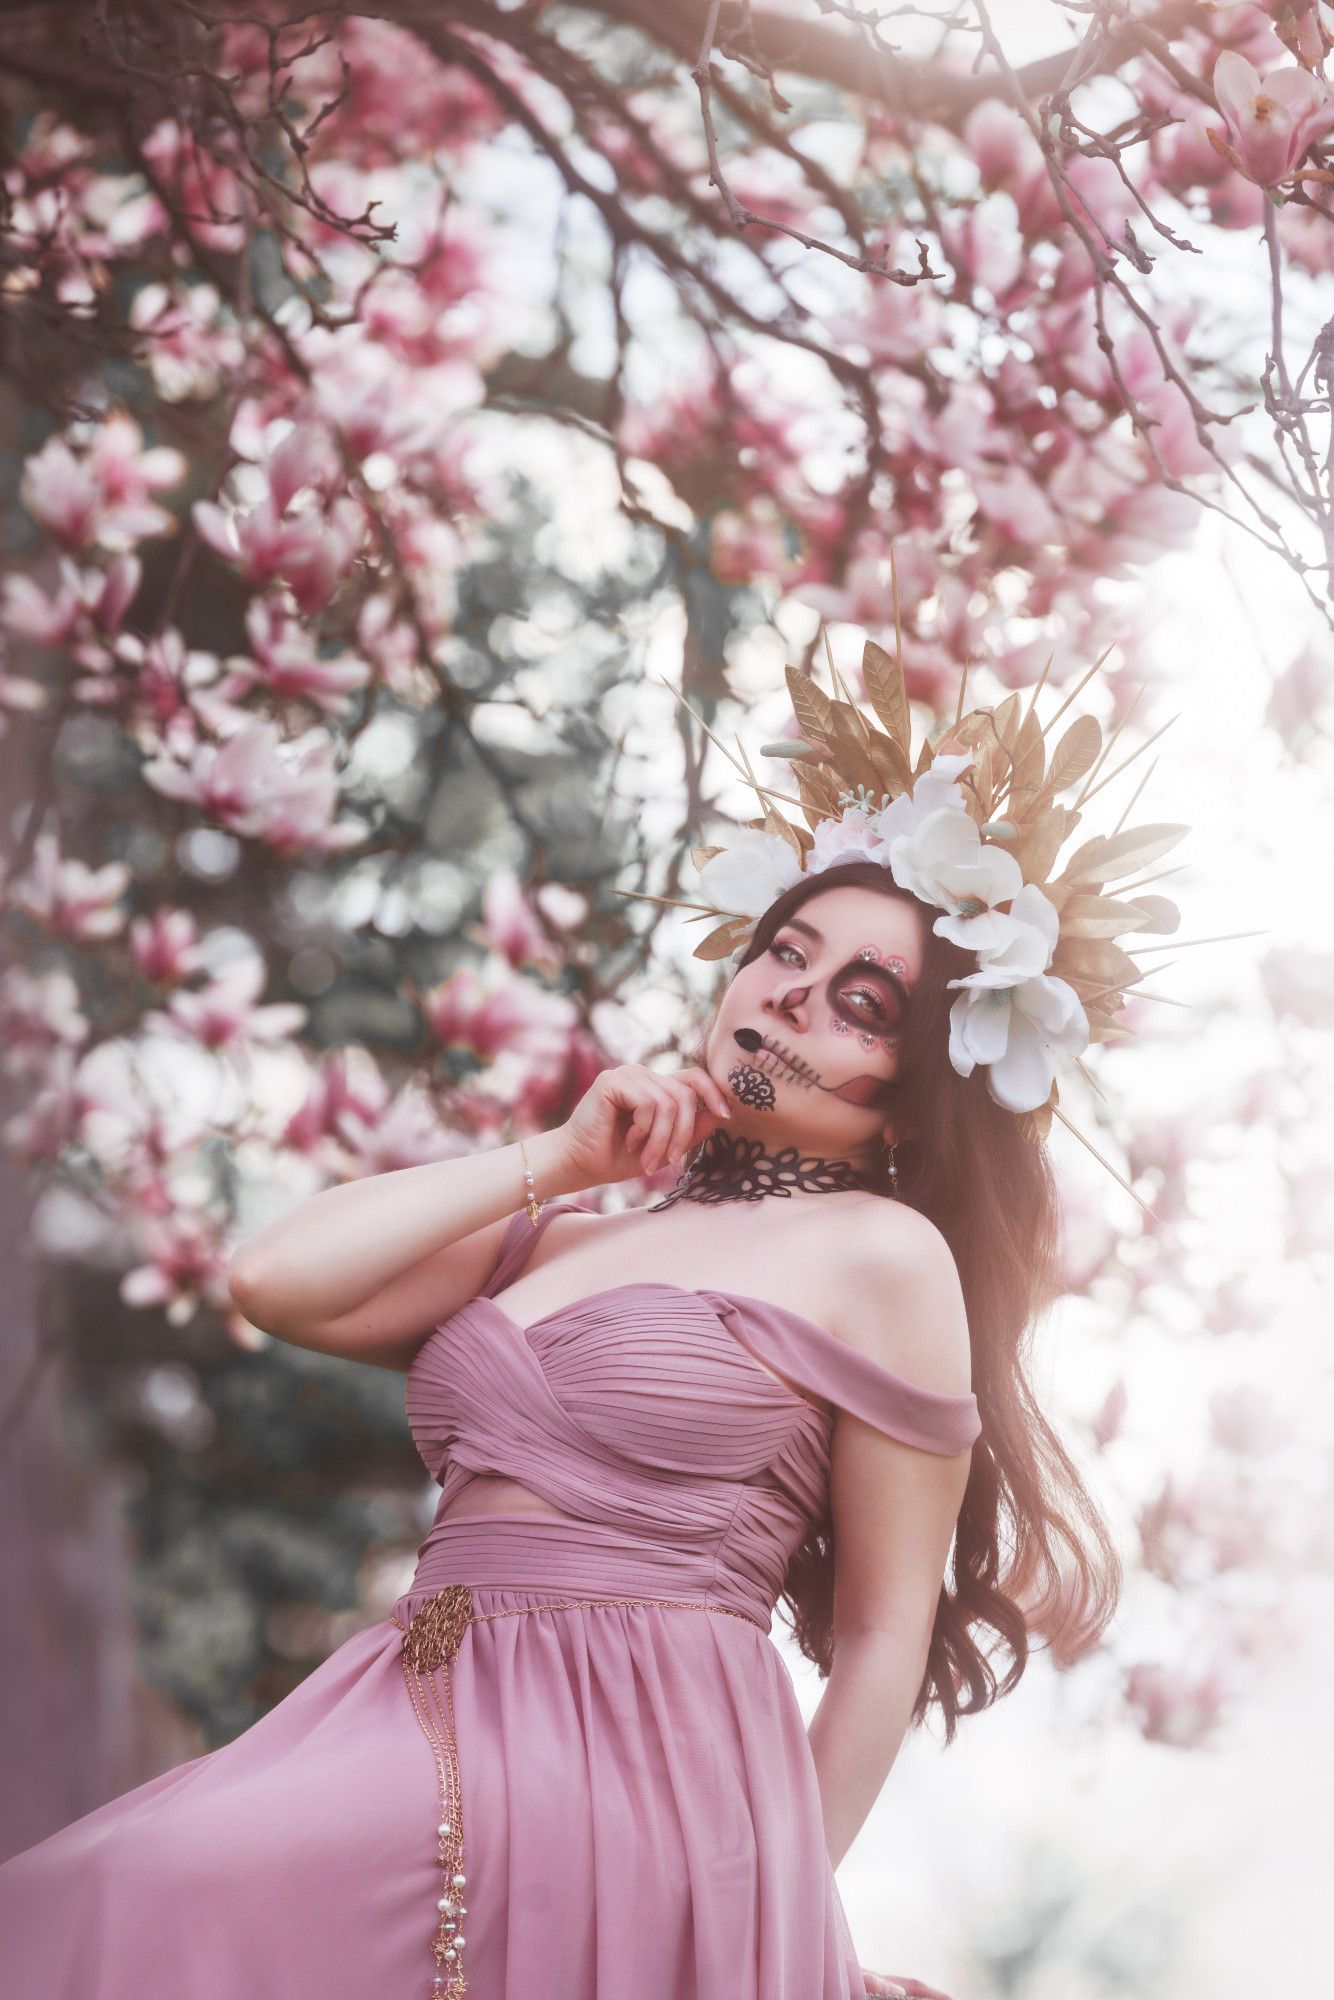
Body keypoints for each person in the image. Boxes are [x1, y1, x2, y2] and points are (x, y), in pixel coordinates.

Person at [0, 855, 1123, 2000]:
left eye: (860, 1001)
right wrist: (558, 1160)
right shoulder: (556, 1237)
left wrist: (773, 1916)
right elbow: (278, 1277)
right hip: (399, 1692)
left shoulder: (882, 1254)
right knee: (58, 1901)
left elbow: (886, 1630)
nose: (792, 993)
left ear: (916, 1080)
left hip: (620, 1751)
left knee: (135, 1883)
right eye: (785, 951)